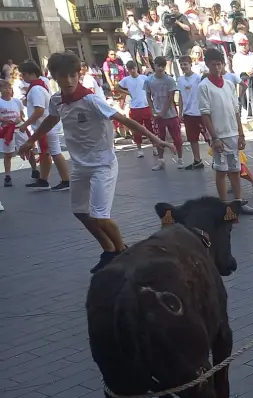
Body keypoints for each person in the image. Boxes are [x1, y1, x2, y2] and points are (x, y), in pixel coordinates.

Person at [19, 51, 172, 273]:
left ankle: (123, 255)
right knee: (81, 212)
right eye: (64, 76)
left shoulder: (91, 100)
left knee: (100, 216)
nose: (69, 81)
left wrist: (155, 138)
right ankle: (110, 251)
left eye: (73, 75)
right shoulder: (57, 100)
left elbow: (123, 119)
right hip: (81, 166)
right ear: (54, 77)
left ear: (79, 75)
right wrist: (30, 141)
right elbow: (51, 120)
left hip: (103, 164)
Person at [198, 47, 253, 214]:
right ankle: (223, 206)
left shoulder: (230, 85)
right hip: (219, 135)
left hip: (233, 133)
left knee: (236, 169)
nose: (217, 68)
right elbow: (205, 114)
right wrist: (214, 138)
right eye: (213, 64)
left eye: (219, 64)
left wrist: (241, 133)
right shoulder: (204, 86)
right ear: (207, 65)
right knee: (221, 170)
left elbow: (236, 110)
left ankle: (239, 202)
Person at [18, 61, 71, 191]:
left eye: (24, 74)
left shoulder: (36, 89)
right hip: (46, 126)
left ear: (31, 74)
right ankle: (43, 179)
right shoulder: (39, 86)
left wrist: (26, 124)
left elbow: (39, 110)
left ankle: (66, 180)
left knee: (54, 152)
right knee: (46, 153)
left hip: (46, 126)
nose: (22, 77)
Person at [145, 56, 183, 170]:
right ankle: (161, 160)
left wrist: (163, 112)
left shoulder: (169, 80)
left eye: (162, 66)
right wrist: (153, 110)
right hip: (157, 114)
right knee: (159, 138)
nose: (160, 68)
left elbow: (170, 98)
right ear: (154, 66)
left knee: (177, 138)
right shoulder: (149, 80)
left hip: (171, 114)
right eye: (158, 66)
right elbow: (148, 95)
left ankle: (180, 159)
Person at [116, 60, 153, 158]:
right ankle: (139, 149)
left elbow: (151, 87)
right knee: (136, 129)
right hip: (135, 107)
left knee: (150, 128)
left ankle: (154, 147)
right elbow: (117, 87)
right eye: (130, 69)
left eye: (134, 68)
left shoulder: (144, 78)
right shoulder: (126, 80)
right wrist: (127, 93)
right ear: (127, 70)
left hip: (145, 106)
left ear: (136, 68)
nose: (132, 70)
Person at [177, 55, 206, 169]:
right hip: (188, 114)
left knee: (208, 137)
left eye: (185, 64)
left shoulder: (198, 78)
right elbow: (180, 96)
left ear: (190, 65)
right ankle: (197, 160)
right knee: (193, 139)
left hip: (199, 113)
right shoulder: (180, 80)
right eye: (182, 65)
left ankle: (218, 158)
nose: (184, 66)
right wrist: (180, 113)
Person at [0, 79, 29, 188]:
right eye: (4, 88)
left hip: (18, 128)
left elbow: (22, 115)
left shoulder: (17, 101)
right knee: (8, 154)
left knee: (27, 148)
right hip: (7, 131)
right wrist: (4, 120)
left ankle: (35, 170)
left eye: (9, 88)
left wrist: (19, 119)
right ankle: (7, 176)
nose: (7, 90)